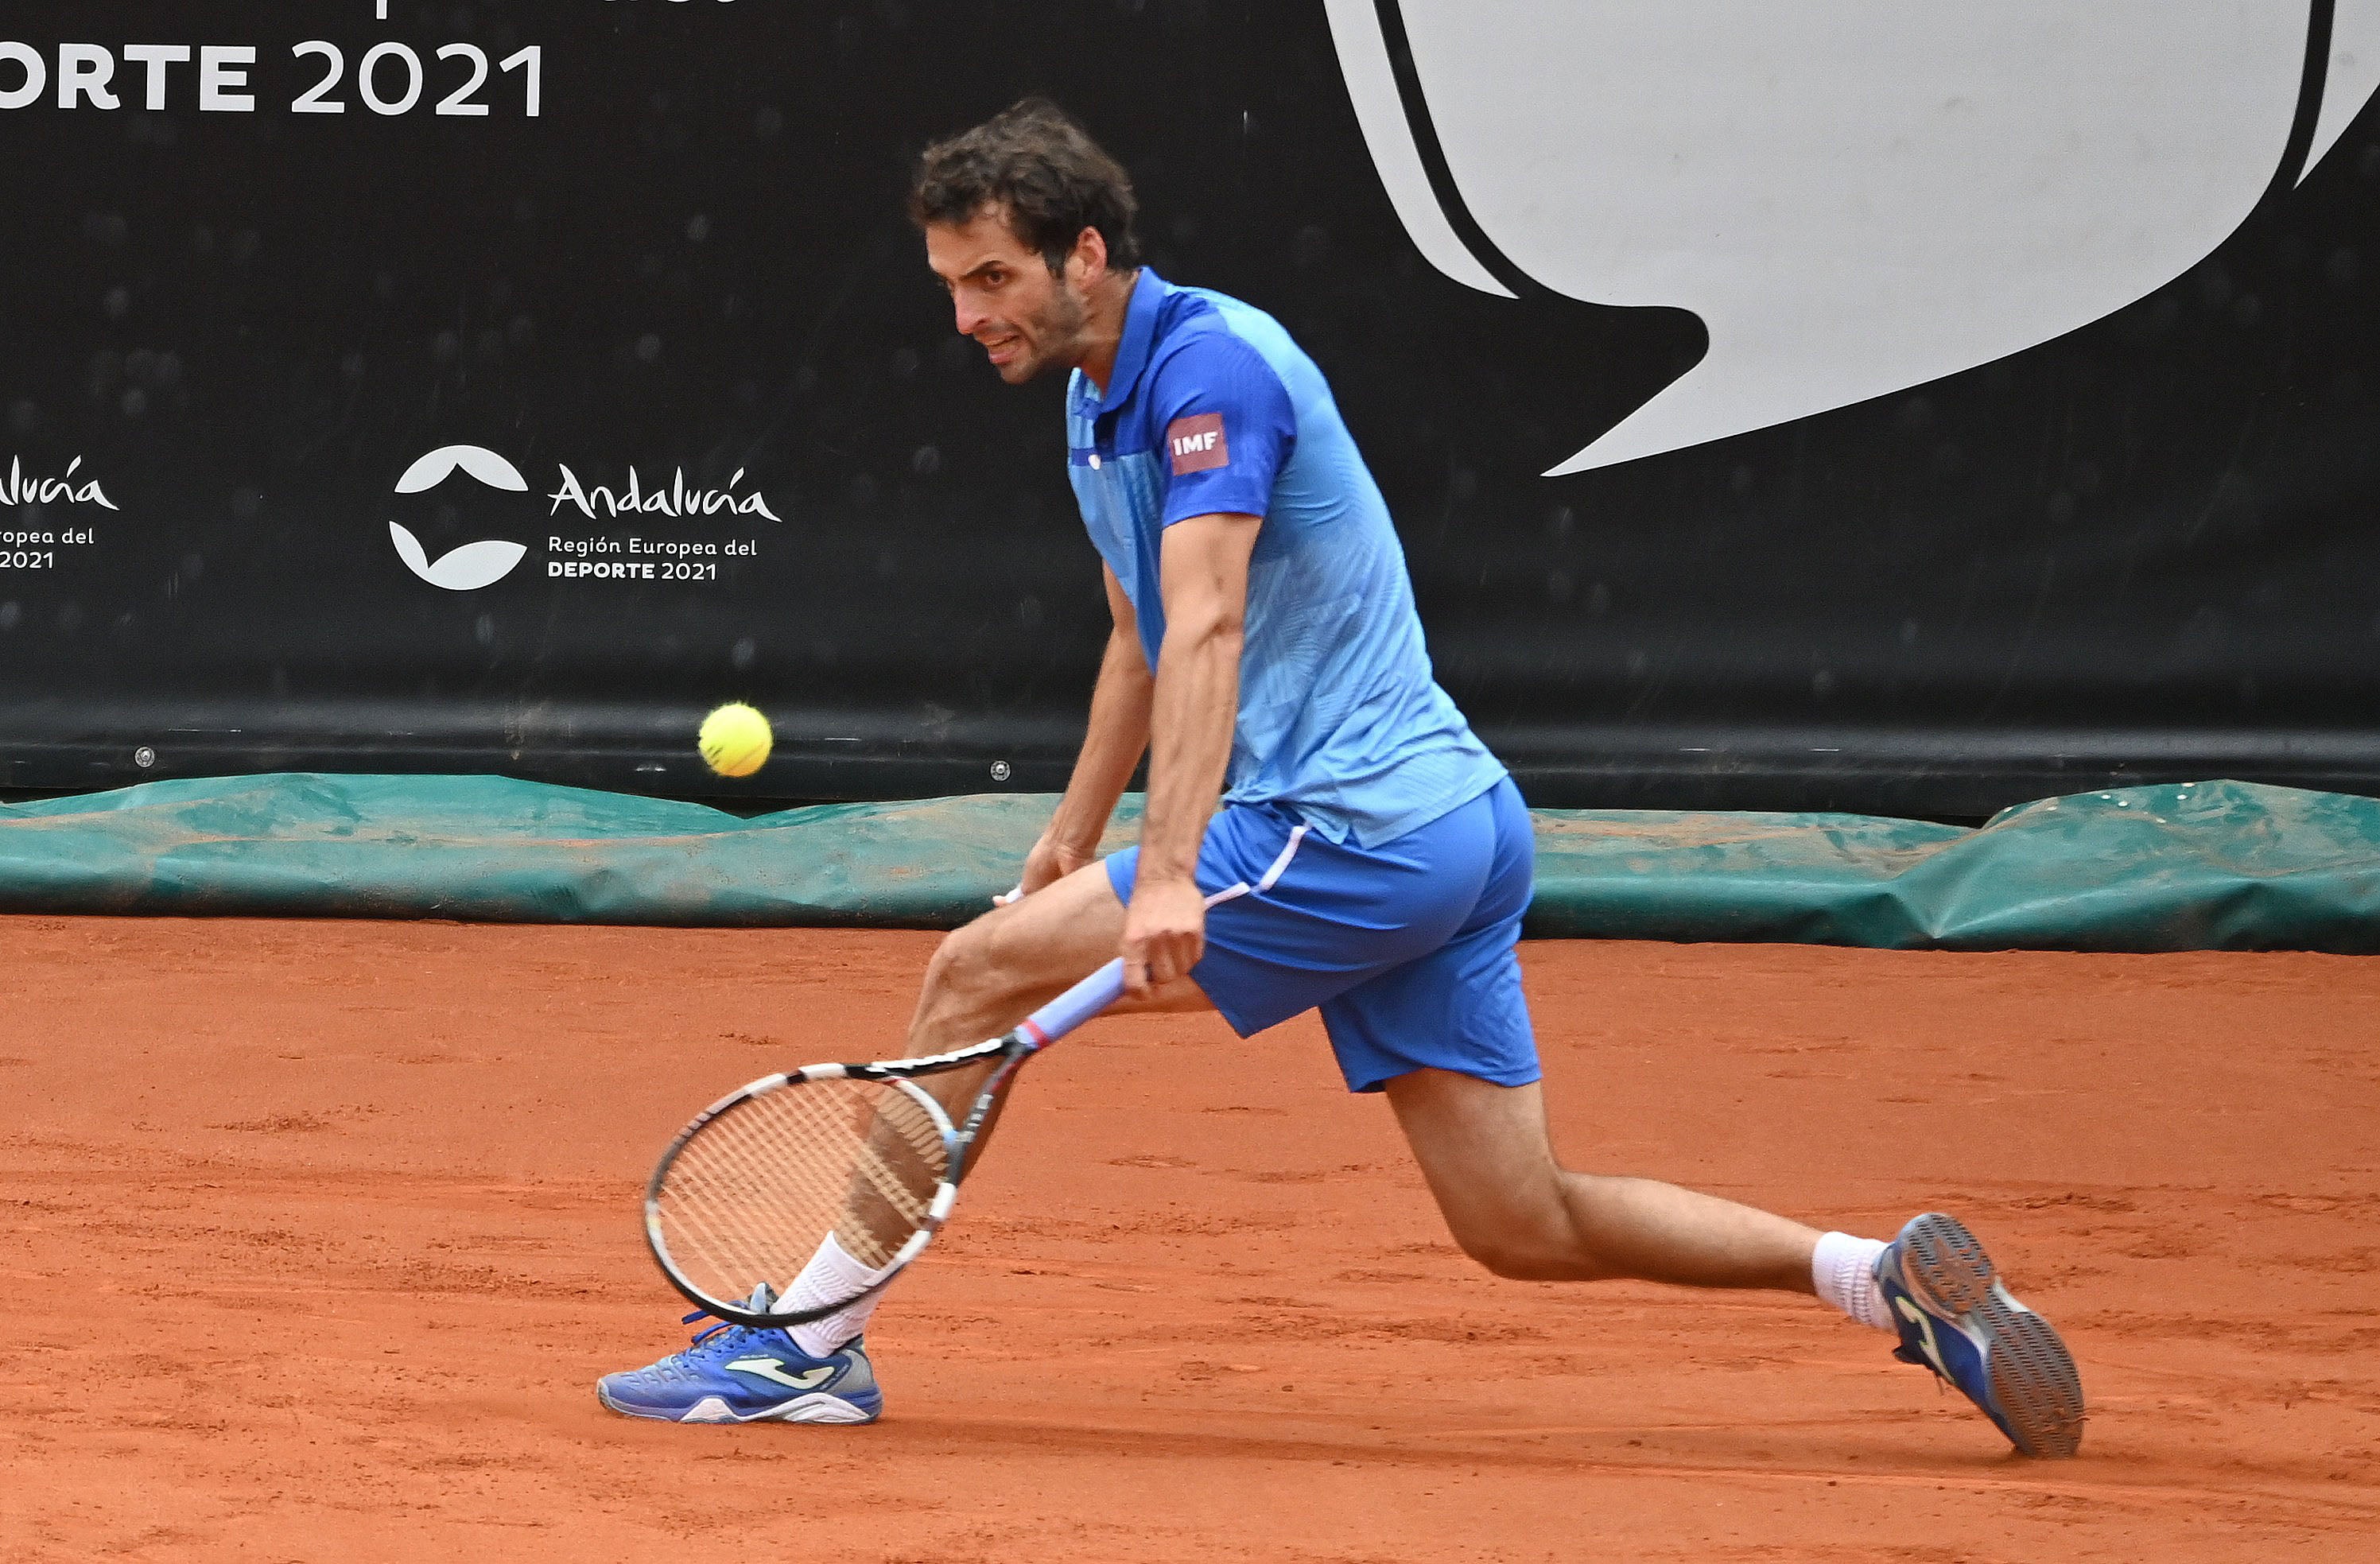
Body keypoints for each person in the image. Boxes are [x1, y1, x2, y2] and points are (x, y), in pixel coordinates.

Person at [597, 98, 2084, 1457]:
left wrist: (1170, 869)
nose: (967, 314)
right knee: (1521, 1222)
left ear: (1086, 256)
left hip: (1350, 829)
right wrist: (1070, 841)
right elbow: (1135, 635)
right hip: (1451, 831)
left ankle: (802, 1347)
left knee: (968, 983)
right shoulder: (1088, 399)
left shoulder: (1213, 373)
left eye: (990, 280)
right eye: (951, 287)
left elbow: (1213, 622)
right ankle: (1881, 1283)